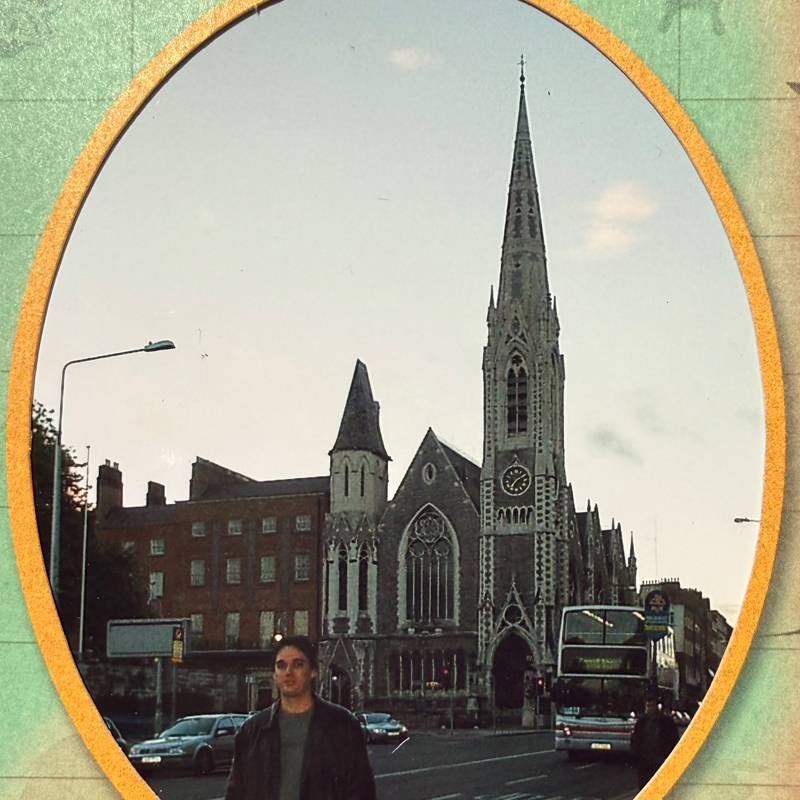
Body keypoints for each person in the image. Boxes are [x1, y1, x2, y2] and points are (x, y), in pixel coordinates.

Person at [225, 636, 376, 800]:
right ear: (274, 675)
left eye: (298, 664)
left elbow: (361, 791)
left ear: (312, 672)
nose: (289, 672)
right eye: (281, 666)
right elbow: (235, 793)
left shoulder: (344, 726)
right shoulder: (251, 732)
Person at [630, 691, 680, 790]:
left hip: (660, 761)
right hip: (645, 762)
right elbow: (635, 740)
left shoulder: (667, 722)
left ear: (657, 707)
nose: (650, 709)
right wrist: (635, 756)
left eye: (652, 705)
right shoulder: (641, 723)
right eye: (648, 706)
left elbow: (673, 741)